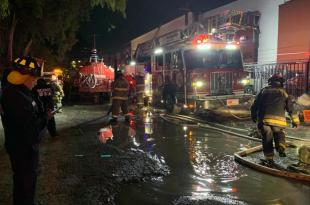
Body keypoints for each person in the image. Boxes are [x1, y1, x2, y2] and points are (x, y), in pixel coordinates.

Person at [1, 56, 52, 205]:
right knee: (24, 180)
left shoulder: (23, 92)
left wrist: (43, 114)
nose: (35, 81)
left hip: (26, 145)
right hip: (22, 147)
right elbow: (28, 125)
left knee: (27, 179)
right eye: (33, 78)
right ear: (22, 78)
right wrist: (46, 118)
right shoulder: (14, 95)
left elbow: (33, 114)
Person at [251, 74, 300, 165]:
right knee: (279, 133)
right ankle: (281, 147)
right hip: (278, 122)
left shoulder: (263, 91)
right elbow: (291, 108)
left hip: (264, 121)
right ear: (281, 83)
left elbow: (254, 106)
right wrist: (295, 121)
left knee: (267, 138)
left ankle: (269, 159)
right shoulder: (284, 93)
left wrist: (254, 117)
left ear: (270, 82)